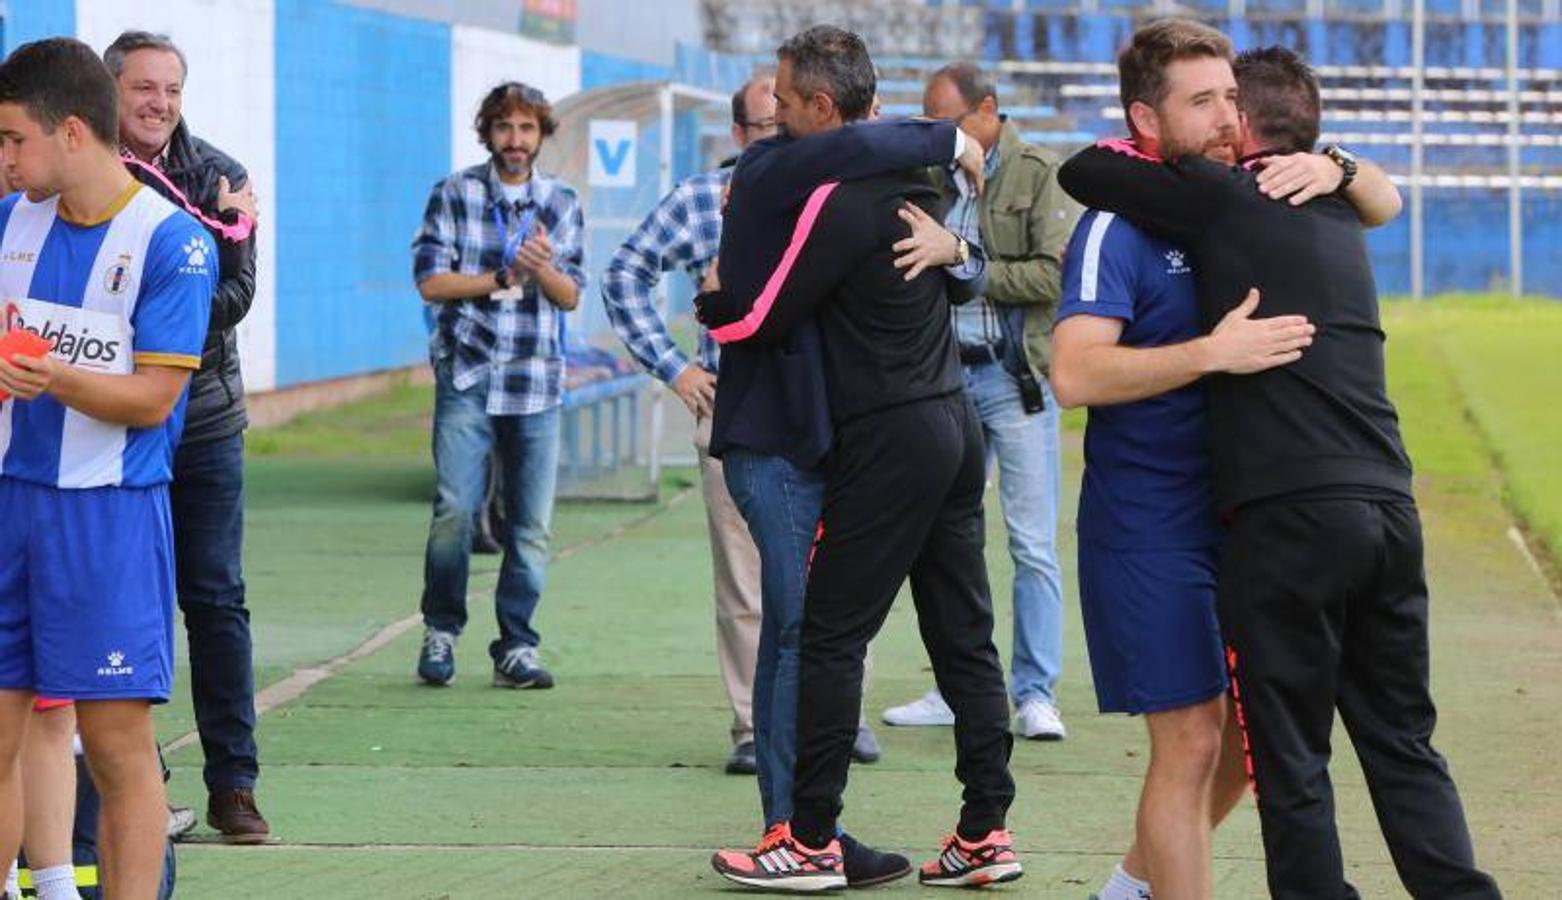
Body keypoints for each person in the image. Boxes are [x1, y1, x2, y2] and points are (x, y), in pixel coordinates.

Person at [1058, 43, 1503, 900]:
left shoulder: (1231, 197)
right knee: (1375, 741)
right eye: (1205, 102)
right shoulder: (1332, 215)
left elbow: (1084, 166)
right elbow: (1073, 375)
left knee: (1281, 757)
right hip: (1361, 507)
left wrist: (1330, 168)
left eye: (1231, 102)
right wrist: (1338, 172)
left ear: (1257, 133)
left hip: (1285, 518)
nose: (1223, 119)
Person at [705, 26, 1021, 892]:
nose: (768, 113)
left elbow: (763, 314)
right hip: (955, 427)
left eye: (781, 98)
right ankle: (984, 832)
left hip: (890, 440)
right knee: (966, 639)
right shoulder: (919, 189)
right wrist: (963, 253)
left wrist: (716, 309)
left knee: (830, 638)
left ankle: (807, 841)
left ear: (821, 109)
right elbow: (963, 267)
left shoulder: (832, 204)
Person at [0, 36, 216, 900]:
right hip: (12, 502)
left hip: (110, 517)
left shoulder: (173, 242)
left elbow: (155, 400)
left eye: (15, 140)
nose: (5, 158)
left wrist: (50, 373)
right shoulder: (11, 220)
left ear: (73, 133)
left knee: (119, 748)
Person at [103, 29, 268, 844]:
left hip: (204, 420)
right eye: (142, 87)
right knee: (126, 606)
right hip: (112, 419)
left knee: (214, 600)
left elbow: (236, 297)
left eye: (169, 88)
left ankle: (234, 785)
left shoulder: (218, 176)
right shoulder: (90, 176)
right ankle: (144, 788)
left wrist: (148, 308)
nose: (158, 102)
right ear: (110, 92)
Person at [882, 61, 1078, 741]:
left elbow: (1056, 275)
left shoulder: (1038, 171)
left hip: (1012, 380)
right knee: (946, 544)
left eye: (948, 118)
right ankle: (956, 686)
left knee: (1031, 544)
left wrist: (960, 257)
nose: (938, 131)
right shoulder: (929, 175)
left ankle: (1035, 692)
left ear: (987, 110)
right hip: (942, 382)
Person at [411, 81, 585, 690]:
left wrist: (544, 271)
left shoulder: (560, 202)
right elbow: (431, 282)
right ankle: (440, 629)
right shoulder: (455, 193)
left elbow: (571, 297)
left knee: (531, 523)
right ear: (488, 132)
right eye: (505, 128)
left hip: (536, 381)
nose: (516, 141)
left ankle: (516, 644)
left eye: (527, 129)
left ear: (542, 136)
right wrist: (499, 276)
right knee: (455, 510)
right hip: (469, 373)